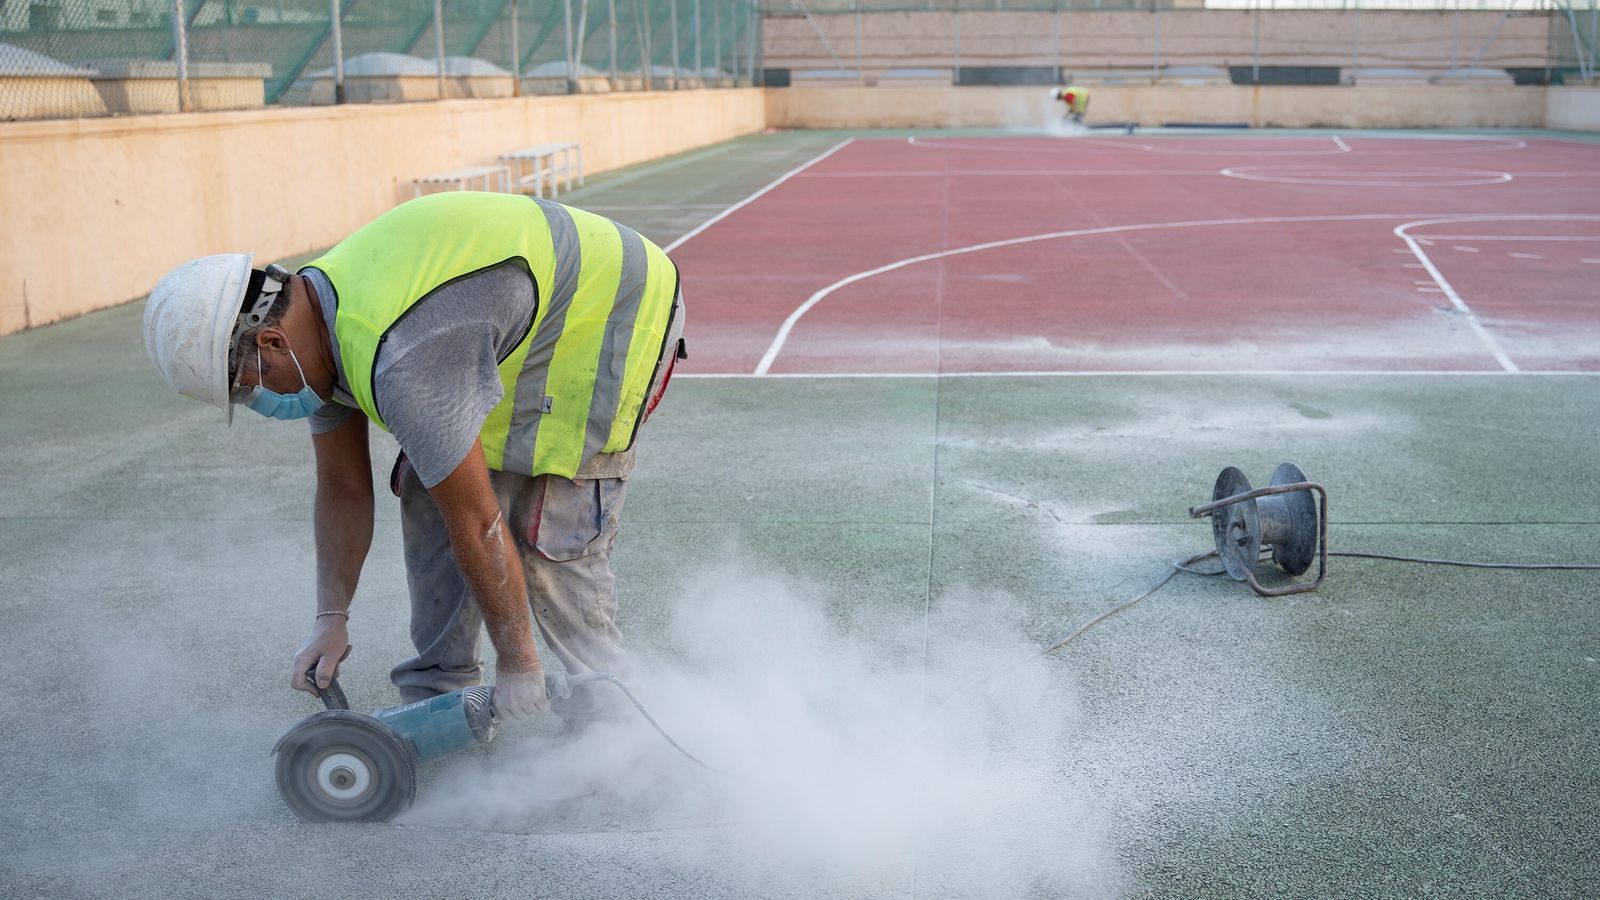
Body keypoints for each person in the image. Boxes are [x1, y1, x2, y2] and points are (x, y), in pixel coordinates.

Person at [143, 192, 686, 727]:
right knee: (436, 490)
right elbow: (343, 486)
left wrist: (519, 662)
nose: (259, 403)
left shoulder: (403, 361)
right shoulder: (322, 324)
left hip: (608, 305)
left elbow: (478, 523)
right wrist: (330, 619)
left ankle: (614, 729)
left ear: (272, 343)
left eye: (246, 389)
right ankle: (442, 702)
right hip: (489, 317)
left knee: (547, 524)